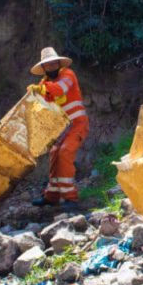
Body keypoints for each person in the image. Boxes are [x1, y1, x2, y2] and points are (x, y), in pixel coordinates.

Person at [28, 47, 89, 212]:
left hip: (78, 124)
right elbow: (43, 102)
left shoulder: (68, 74)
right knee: (55, 152)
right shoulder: (43, 83)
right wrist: (35, 95)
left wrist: (40, 90)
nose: (52, 66)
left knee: (64, 151)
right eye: (48, 64)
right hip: (63, 128)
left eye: (54, 63)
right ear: (44, 67)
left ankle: (71, 198)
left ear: (58, 63)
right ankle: (52, 196)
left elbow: (60, 89)